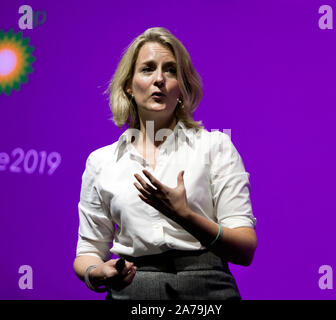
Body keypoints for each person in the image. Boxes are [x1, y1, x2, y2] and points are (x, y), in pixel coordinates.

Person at [73, 27, 257, 300]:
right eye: (148, 69)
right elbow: (88, 250)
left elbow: (245, 249)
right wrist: (98, 273)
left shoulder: (215, 147)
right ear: (128, 86)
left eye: (170, 70)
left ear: (181, 88)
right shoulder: (102, 162)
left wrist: (186, 216)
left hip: (207, 289)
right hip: (132, 289)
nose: (159, 79)